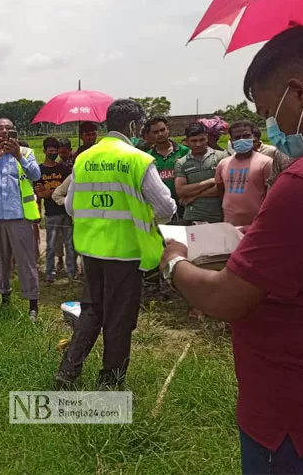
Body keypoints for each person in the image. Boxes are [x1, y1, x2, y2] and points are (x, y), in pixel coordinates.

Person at [161, 26, 303, 474]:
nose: (271, 126)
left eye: (269, 111)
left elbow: (225, 298)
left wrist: (173, 261)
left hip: (297, 422)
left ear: (299, 93)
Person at [56, 99, 176, 390]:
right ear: (133, 126)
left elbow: (71, 206)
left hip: (92, 250)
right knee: (119, 320)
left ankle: (67, 372)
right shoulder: (137, 159)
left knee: (91, 311)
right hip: (125, 253)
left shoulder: (83, 159)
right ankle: (109, 385)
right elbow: (165, 208)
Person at [0, 118, 41, 320]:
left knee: (26, 262)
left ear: (15, 132)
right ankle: (5, 298)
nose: (4, 132)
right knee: (1, 261)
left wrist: (18, 155)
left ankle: (33, 304)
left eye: (8, 129)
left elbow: (36, 174)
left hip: (20, 217)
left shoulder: (26, 152)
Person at [214, 121, 273, 227]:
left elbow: (271, 195)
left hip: (256, 222)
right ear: (231, 141)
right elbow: (221, 191)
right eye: (237, 137)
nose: (241, 140)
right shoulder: (223, 164)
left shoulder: (266, 163)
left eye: (246, 136)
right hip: (230, 222)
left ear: (253, 137)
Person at [35, 137, 76, 283]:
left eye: (55, 151)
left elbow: (69, 190)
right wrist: (51, 193)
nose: (53, 153)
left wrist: (49, 191)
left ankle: (71, 272)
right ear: (44, 151)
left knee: (70, 245)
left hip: (65, 211)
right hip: (51, 213)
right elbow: (40, 193)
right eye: (50, 151)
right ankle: (49, 273)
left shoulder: (64, 169)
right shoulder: (39, 170)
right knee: (51, 245)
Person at [175, 123, 230, 224]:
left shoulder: (221, 157)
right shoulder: (182, 163)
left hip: (218, 216)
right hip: (192, 216)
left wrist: (194, 196)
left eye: (202, 140)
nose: (198, 144)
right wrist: (211, 181)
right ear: (187, 141)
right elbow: (181, 191)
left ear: (207, 138)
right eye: (194, 141)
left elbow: (225, 187)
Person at [144, 117, 190, 221]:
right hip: (161, 208)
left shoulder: (184, 151)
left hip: (184, 205)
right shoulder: (147, 157)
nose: (160, 134)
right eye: (155, 132)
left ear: (167, 129)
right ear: (150, 135)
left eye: (162, 130)